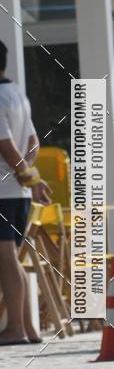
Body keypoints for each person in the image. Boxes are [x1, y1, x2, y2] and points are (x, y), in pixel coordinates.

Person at [0, 41, 51, 345]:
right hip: (16, 193)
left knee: (7, 261)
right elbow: (33, 142)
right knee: (13, 260)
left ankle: (16, 328)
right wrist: (27, 176)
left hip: (4, 191)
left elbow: (6, 147)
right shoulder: (16, 93)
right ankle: (28, 327)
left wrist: (25, 177)